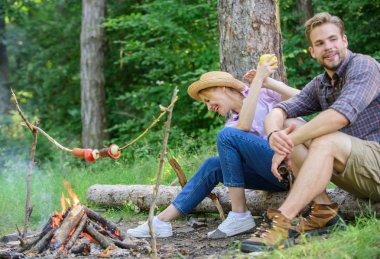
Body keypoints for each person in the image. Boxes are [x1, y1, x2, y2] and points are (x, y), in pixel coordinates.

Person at [241, 12, 380, 253]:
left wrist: (287, 143)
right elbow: (279, 109)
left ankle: (281, 222)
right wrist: (275, 136)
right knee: (288, 125)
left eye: (332, 39)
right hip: (357, 171)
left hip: (376, 161)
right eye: (320, 43)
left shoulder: (364, 66)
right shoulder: (320, 84)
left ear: (344, 40)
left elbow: (340, 116)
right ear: (312, 51)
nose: (328, 47)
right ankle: (323, 212)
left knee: (325, 139)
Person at [127, 57, 300, 239]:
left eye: (208, 100)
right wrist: (257, 82)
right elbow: (244, 124)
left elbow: (305, 99)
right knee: (213, 165)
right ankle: (161, 221)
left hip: (293, 166)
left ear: (222, 88)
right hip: (272, 175)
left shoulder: (264, 93)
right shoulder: (232, 126)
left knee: (225, 137)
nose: (209, 107)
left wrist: (266, 81)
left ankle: (240, 214)